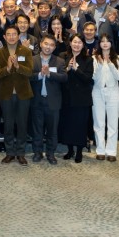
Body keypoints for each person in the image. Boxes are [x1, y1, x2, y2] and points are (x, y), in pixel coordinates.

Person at [0, 26, 33, 166]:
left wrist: (17, 66)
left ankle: (21, 153)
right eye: (8, 34)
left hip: (23, 94)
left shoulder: (26, 51)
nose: (11, 37)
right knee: (8, 125)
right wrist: (8, 68)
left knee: (22, 125)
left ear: (18, 36)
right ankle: (9, 153)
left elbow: (30, 72)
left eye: (14, 34)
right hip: (6, 94)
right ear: (4, 37)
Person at [30, 35, 67, 165]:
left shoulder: (60, 61)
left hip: (53, 102)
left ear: (54, 47)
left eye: (51, 45)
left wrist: (50, 74)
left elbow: (64, 78)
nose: (48, 47)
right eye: (46, 44)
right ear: (41, 44)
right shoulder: (32, 60)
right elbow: (27, 76)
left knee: (52, 130)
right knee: (37, 129)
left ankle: (51, 153)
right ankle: (37, 152)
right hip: (36, 100)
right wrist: (40, 74)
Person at [59, 34, 94, 163]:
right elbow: (59, 75)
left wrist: (76, 69)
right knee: (67, 124)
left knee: (80, 125)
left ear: (83, 44)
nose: (76, 44)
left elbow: (88, 79)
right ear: (70, 43)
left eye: (79, 42)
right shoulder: (63, 56)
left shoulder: (88, 59)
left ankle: (79, 151)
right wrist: (68, 69)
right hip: (66, 97)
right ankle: (70, 150)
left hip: (81, 98)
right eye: (74, 42)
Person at [92, 34, 119, 162]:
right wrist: (100, 64)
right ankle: (100, 150)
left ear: (111, 43)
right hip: (97, 92)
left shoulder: (118, 58)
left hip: (113, 92)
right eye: (102, 41)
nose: (105, 43)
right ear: (99, 43)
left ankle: (111, 151)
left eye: (107, 41)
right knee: (99, 123)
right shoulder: (94, 58)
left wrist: (110, 63)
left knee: (113, 124)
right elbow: (94, 78)